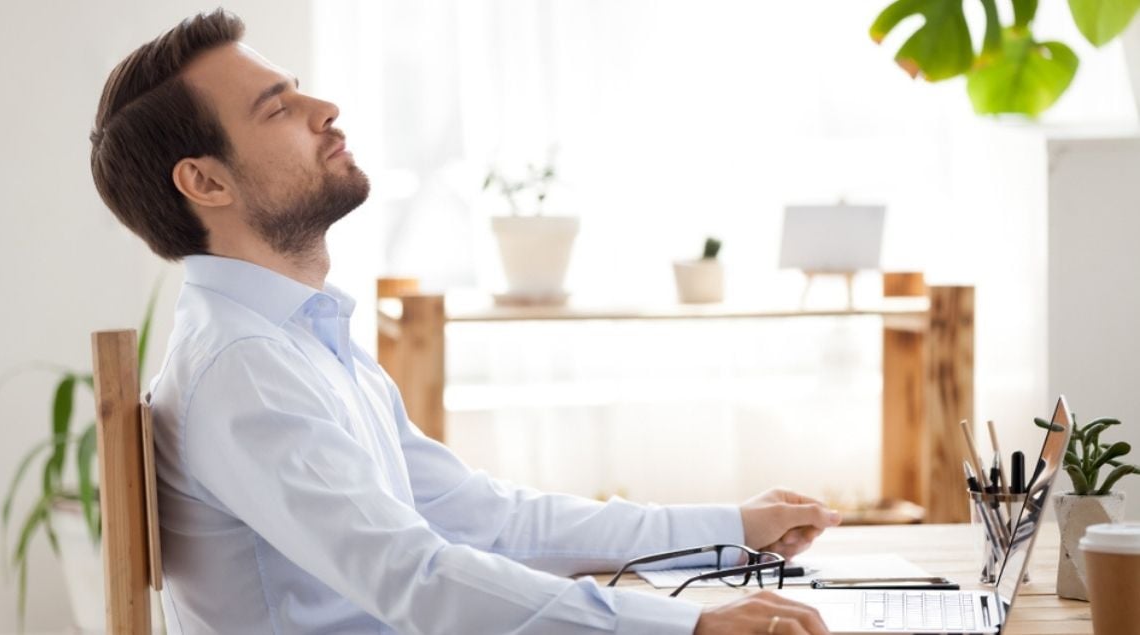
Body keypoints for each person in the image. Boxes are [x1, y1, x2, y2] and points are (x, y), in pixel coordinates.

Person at [90, 9, 839, 635]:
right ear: (205, 180)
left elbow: (486, 519)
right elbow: (417, 577)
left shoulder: (293, 336)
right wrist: (694, 626)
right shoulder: (245, 366)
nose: (325, 110)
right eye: (278, 108)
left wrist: (728, 528)